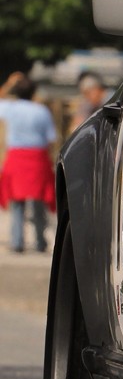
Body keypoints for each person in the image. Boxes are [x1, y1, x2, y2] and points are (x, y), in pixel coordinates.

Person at [0, 72, 57, 253]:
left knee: (17, 201)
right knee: (39, 201)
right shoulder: (42, 110)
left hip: (16, 157)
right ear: (34, 92)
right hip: (38, 157)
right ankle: (41, 242)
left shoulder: (11, 108)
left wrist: (9, 83)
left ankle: (17, 242)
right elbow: (51, 138)